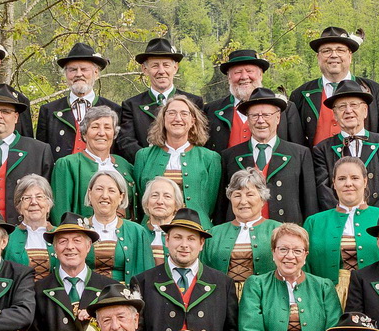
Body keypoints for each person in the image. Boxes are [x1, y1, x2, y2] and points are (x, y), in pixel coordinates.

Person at [236, 222, 342, 331]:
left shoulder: (323, 287)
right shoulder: (256, 285)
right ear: (273, 252)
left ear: (305, 255)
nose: (290, 256)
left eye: (297, 251)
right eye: (283, 249)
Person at [135, 218, 238, 331]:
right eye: (178, 237)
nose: (184, 245)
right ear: (167, 240)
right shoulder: (143, 282)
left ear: (201, 244)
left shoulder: (223, 283)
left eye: (191, 239)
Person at [219, 87, 320, 224]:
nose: (260, 120)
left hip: (285, 233)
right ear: (248, 120)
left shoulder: (300, 154)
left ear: (278, 118)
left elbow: (310, 205)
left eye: (266, 115)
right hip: (243, 233)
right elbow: (222, 206)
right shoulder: (229, 156)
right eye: (254, 115)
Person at [291, 25, 379, 146]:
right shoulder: (300, 95)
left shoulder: (375, 91)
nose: (333, 55)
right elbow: (294, 143)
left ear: (350, 56)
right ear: (318, 57)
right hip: (315, 158)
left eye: (340, 50)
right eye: (326, 51)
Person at [132, 93, 223, 225]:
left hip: (196, 230)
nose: (178, 118)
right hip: (151, 230)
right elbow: (141, 198)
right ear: (163, 119)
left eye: (184, 114)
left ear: (192, 121)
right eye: (172, 113)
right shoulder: (143, 156)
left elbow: (210, 204)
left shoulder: (210, 158)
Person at [312, 78, 379, 209]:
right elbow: (323, 189)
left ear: (365, 111)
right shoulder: (322, 150)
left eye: (354, 105)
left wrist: (375, 215)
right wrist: (342, 213)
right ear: (335, 115)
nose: (348, 111)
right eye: (342, 106)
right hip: (340, 217)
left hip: (378, 218)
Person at [28, 220, 102, 331]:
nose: (70, 247)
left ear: (88, 246)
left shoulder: (108, 288)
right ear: (54, 248)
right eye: (63, 241)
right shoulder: (38, 290)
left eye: (77, 241)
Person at [34, 41, 123, 156]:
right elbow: (41, 154)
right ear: (66, 74)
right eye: (73, 70)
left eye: (84, 69)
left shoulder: (114, 109)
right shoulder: (49, 111)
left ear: (96, 73)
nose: (78, 74)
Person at [47, 105, 132, 224]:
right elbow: (60, 213)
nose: (101, 133)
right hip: (81, 233)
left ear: (114, 134)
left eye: (107, 127)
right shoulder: (67, 164)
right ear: (84, 134)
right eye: (95, 127)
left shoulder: (124, 165)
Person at [305, 155, 378, 284]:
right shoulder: (314, 223)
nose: (348, 184)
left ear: (365, 181)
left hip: (374, 294)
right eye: (342, 179)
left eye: (355, 178)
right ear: (334, 183)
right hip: (326, 294)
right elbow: (303, 265)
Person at [204, 170, 281, 287]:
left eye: (250, 195)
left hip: (266, 297)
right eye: (237, 195)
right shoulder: (214, 233)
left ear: (262, 199)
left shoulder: (279, 231)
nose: (243, 201)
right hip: (222, 297)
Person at [119, 36, 188, 151]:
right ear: (145, 69)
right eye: (155, 65)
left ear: (175, 68)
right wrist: (149, 160)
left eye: (166, 65)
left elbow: (199, 138)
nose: (161, 71)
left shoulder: (193, 102)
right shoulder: (131, 105)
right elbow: (127, 142)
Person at [205, 47, 280, 152]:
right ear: (229, 77)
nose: (244, 77)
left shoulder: (284, 109)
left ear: (260, 75)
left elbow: (297, 152)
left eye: (249, 71)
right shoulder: (210, 110)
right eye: (238, 72)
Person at [80, 171, 151, 282]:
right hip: (86, 292)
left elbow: (146, 277)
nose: (104, 195)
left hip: (124, 292)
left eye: (111, 190)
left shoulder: (137, 232)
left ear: (121, 197)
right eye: (99, 189)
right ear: (90, 193)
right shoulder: (77, 229)